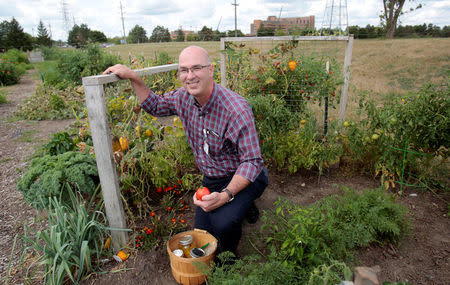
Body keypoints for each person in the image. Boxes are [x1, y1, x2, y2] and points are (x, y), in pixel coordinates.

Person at [103, 45, 268, 254]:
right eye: (184, 70)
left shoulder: (236, 109)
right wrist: (133, 77)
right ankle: (239, 206)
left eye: (196, 68)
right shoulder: (183, 98)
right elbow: (155, 106)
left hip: (245, 176)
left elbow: (252, 161)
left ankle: (229, 260)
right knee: (201, 233)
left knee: (224, 223)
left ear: (211, 70)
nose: (190, 76)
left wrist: (226, 194)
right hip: (213, 178)